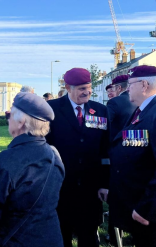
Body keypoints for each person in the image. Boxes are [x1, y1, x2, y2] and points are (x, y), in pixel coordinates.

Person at [0, 93, 65, 247]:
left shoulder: (7, 161)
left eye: (10, 114)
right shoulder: (54, 154)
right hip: (52, 239)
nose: (8, 118)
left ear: (21, 121)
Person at [46, 68, 110, 247]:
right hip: (61, 187)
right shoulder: (52, 109)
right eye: (82, 88)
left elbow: (105, 150)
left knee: (89, 236)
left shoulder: (100, 111)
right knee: (62, 235)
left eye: (89, 87)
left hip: (91, 188)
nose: (87, 92)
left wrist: (105, 183)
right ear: (67, 87)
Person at [109, 65, 156, 247]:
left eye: (130, 84)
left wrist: (147, 208)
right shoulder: (142, 110)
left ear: (144, 85)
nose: (127, 88)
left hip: (148, 211)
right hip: (136, 202)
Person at [107, 75, 137, 142]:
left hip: (117, 141)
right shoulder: (139, 100)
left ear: (119, 88)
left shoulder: (114, 102)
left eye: (113, 88)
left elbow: (106, 123)